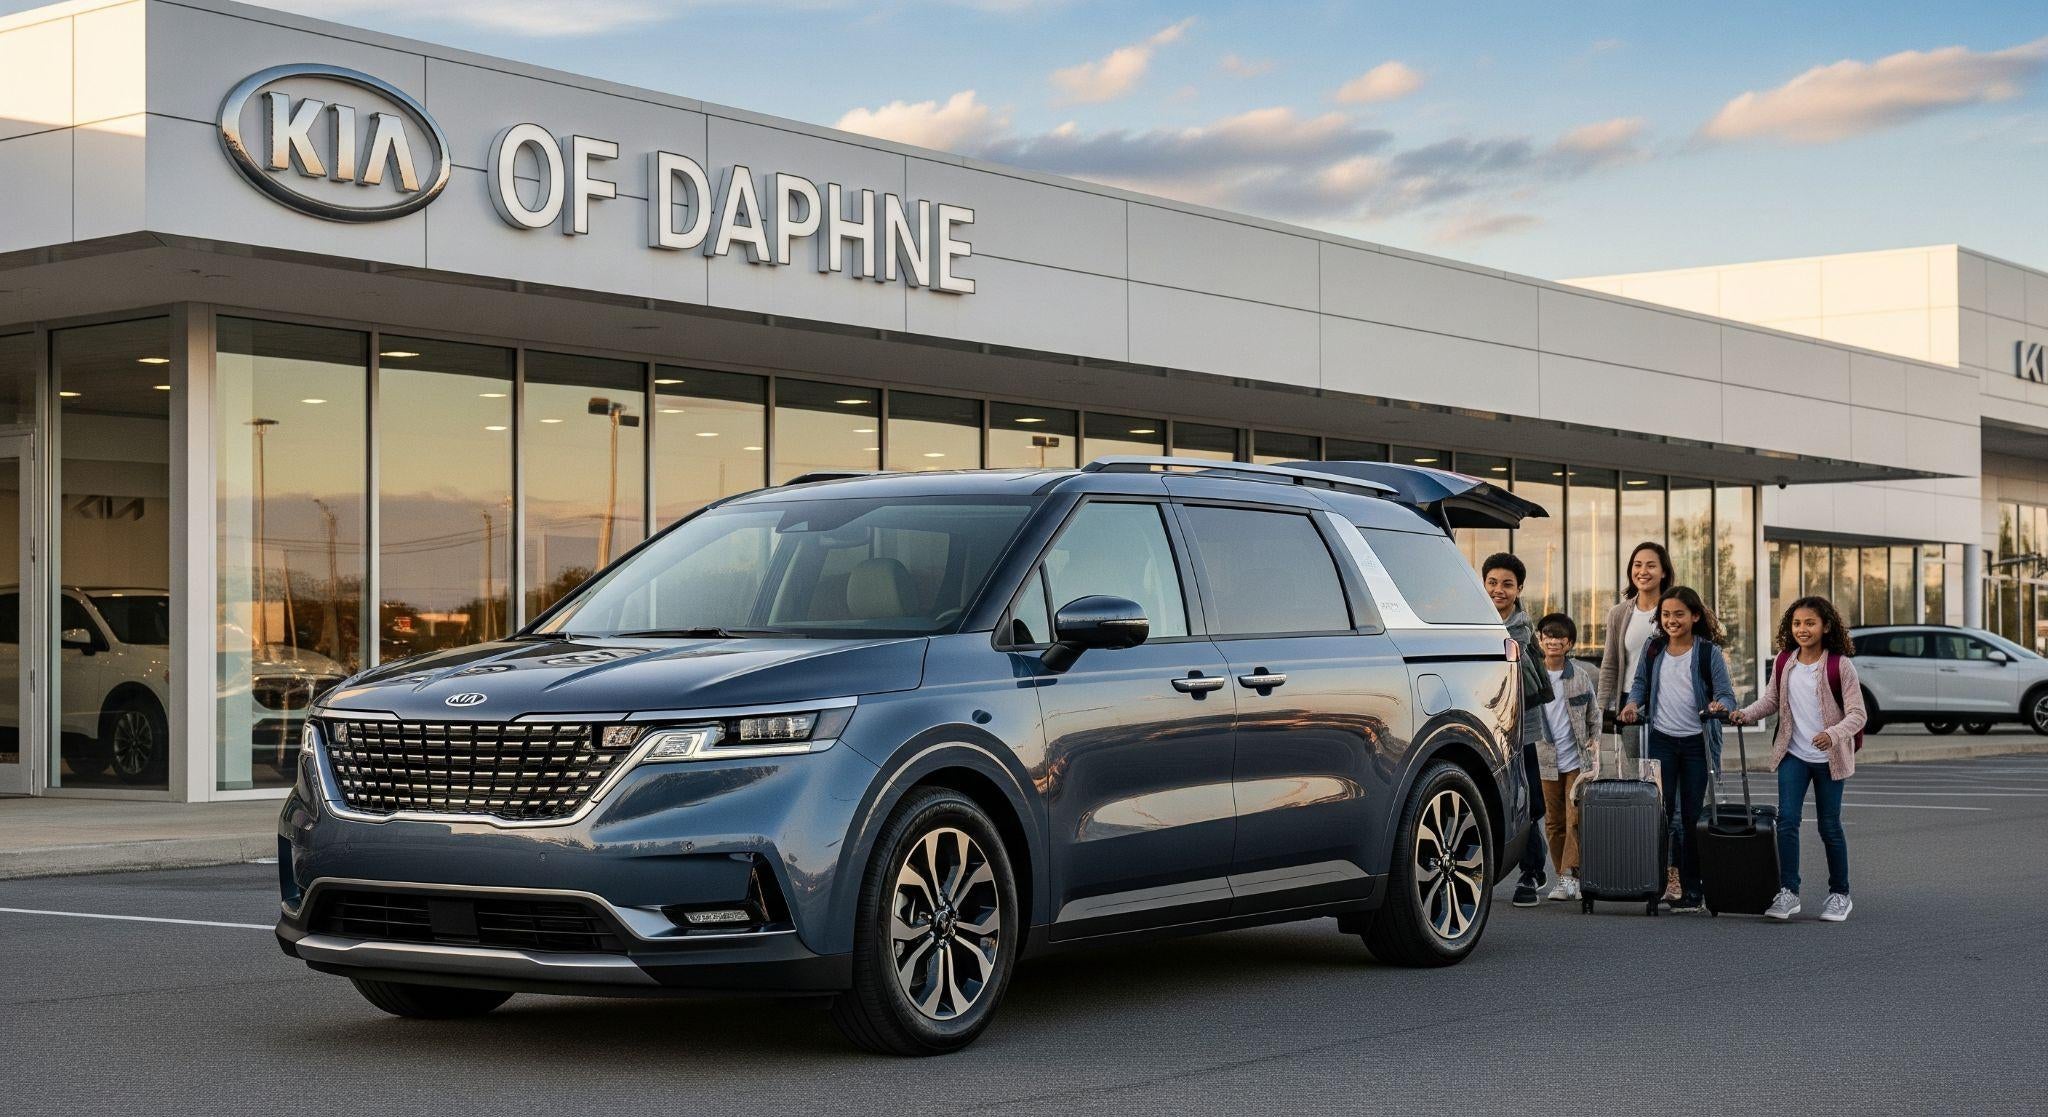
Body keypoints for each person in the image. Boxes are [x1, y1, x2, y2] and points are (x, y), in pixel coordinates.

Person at [1731, 596, 1864, 923]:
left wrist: (1832, 735)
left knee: (1829, 826)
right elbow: (1771, 701)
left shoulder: (1839, 665)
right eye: (1797, 623)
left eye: (1810, 623)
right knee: (1787, 821)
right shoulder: (1784, 662)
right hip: (1794, 754)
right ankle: (1788, 892)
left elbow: (1858, 715)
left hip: (1829, 758)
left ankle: (1839, 894)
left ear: (1826, 627)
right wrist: (1743, 714)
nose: (1803, 629)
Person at [1619, 586, 1737, 913]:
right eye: (1666, 615)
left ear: (1694, 616)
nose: (1671, 620)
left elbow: (1727, 695)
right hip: (1662, 741)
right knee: (1660, 814)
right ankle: (1655, 886)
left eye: (1679, 614)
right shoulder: (1654, 648)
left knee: (1689, 817)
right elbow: (1640, 683)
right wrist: (1631, 705)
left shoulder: (1707, 652)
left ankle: (1692, 890)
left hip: (1697, 744)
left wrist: (1719, 705)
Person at [1597, 542, 1679, 902]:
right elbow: (1611, 665)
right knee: (1638, 792)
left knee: (1669, 794)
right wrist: (1604, 714)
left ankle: (1675, 874)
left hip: (1671, 708)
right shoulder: (1620, 612)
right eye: (1636, 565)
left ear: (1664, 571)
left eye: (1650, 565)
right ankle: (1644, 870)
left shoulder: (1676, 608)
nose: (1642, 571)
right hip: (1630, 710)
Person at [1482, 552, 1551, 908]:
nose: (1498, 590)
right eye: (1492, 582)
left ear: (1519, 588)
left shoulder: (1522, 630)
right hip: (1486, 726)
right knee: (1497, 800)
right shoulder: (1472, 623)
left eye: (1507, 584)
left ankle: (1530, 871)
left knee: (1528, 802)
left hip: (1520, 729)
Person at [1534, 612, 1599, 901]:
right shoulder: (1533, 676)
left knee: (1574, 820)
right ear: (1540, 639)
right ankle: (1564, 874)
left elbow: (1594, 716)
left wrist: (1594, 743)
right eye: (1548, 635)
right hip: (1545, 759)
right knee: (1554, 822)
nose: (1554, 641)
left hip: (1576, 761)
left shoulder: (1580, 676)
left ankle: (1569, 877)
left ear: (1569, 643)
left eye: (1560, 636)